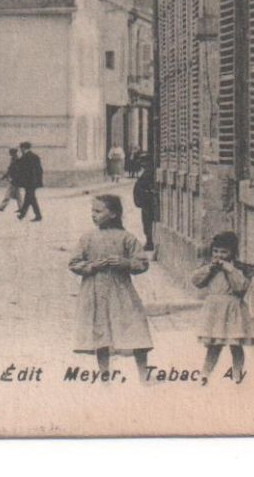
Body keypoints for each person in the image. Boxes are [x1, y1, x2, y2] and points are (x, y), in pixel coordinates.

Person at [69, 194, 152, 381]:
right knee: (101, 332)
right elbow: (74, 263)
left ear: (113, 214)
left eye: (98, 211)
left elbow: (142, 263)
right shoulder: (87, 238)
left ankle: (143, 374)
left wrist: (125, 263)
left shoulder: (127, 238)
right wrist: (92, 266)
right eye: (92, 211)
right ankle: (105, 375)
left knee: (135, 327)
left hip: (121, 292)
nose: (94, 215)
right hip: (95, 292)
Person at [192, 231, 254, 384]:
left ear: (232, 252)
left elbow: (240, 288)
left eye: (224, 252)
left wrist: (230, 270)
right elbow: (196, 281)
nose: (219, 255)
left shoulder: (238, 269)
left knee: (235, 345)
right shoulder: (210, 267)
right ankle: (205, 374)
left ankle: (237, 374)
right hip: (214, 310)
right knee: (214, 345)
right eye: (216, 251)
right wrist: (209, 269)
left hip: (233, 309)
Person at [132, 154, 159, 252]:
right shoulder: (146, 171)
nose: (141, 163)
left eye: (143, 161)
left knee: (148, 222)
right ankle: (149, 241)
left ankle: (150, 242)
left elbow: (147, 186)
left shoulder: (149, 171)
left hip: (148, 201)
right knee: (146, 222)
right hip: (145, 201)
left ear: (148, 162)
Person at [15, 141, 44, 221]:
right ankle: (22, 214)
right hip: (34, 181)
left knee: (31, 198)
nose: (20, 150)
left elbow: (20, 166)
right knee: (28, 197)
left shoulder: (26, 157)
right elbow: (40, 170)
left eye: (21, 148)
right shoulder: (35, 156)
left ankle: (38, 215)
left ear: (23, 148)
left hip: (29, 182)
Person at [0, 147, 23, 212]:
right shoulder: (14, 159)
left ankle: (2, 207)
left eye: (10, 153)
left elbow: (13, 170)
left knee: (8, 194)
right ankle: (21, 208)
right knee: (18, 196)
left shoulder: (16, 160)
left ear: (13, 153)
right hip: (15, 180)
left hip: (14, 180)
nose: (9, 154)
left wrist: (7, 177)